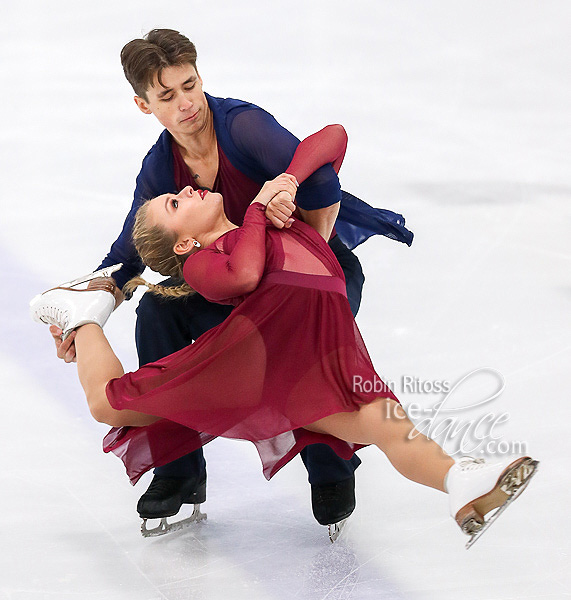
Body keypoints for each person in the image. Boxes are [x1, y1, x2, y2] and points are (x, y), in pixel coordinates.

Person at [31, 124, 537, 548]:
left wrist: (288, 180)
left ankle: (459, 480)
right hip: (251, 366)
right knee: (110, 404)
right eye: (174, 202)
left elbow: (334, 137)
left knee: (389, 425)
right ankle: (84, 317)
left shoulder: (280, 218)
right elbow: (246, 275)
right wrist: (255, 208)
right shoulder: (207, 262)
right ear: (184, 241)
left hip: (321, 364)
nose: (184, 189)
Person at [49, 28, 414, 532]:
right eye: (167, 96)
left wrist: (311, 240)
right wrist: (92, 304)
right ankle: (178, 470)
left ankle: (331, 469)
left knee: (290, 345)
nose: (186, 104)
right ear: (142, 104)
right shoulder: (162, 168)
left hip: (312, 282)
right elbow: (130, 250)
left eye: (190, 85)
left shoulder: (242, 128)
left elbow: (323, 178)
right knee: (158, 310)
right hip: (236, 283)